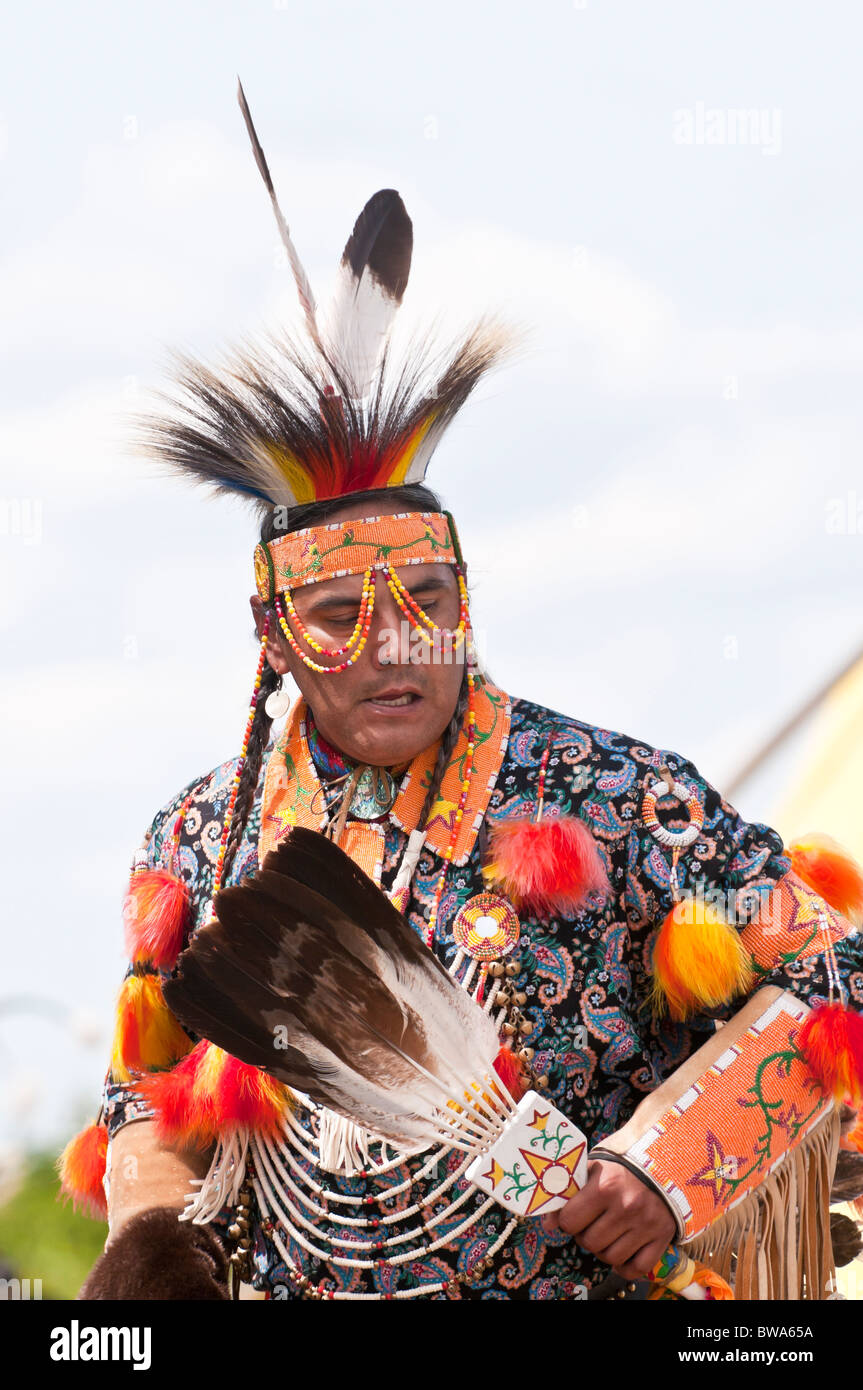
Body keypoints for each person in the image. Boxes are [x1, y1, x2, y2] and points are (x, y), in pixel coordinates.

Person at [59, 87, 863, 1303]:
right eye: (341, 616)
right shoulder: (199, 836)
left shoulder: (613, 796)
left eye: (427, 600)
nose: (399, 645)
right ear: (271, 635)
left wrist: (660, 1170)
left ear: (464, 601)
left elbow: (836, 974)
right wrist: (150, 1238)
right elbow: (149, 1100)